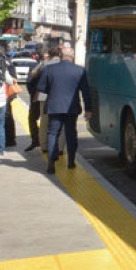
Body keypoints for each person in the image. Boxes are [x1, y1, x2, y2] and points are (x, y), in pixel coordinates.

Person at [36, 45, 92, 174]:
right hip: (71, 108)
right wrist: (88, 109)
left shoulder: (49, 69)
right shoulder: (80, 70)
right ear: (72, 57)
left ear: (61, 56)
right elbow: (86, 92)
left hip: (54, 107)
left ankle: (51, 162)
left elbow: (41, 87)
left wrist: (52, 90)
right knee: (71, 134)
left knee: (52, 133)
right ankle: (71, 161)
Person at [26, 46, 60, 151]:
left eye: (48, 56)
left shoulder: (48, 65)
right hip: (38, 97)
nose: (47, 58)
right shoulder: (38, 65)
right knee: (33, 119)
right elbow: (29, 81)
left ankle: (45, 143)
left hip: (45, 97)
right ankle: (36, 141)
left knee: (47, 121)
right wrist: (33, 94)